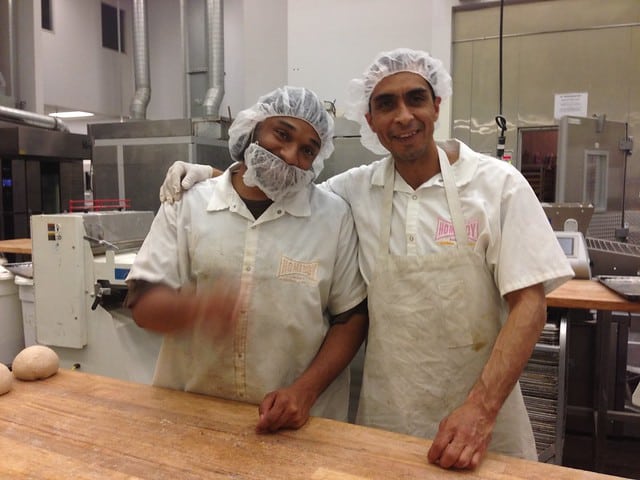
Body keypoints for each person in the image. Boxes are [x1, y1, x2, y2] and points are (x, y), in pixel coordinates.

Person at [158, 48, 574, 469]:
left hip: (483, 425)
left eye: (415, 98)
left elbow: (530, 305)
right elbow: (285, 184)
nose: (403, 116)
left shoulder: (497, 186)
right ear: (371, 121)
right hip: (387, 422)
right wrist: (214, 178)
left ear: (437, 106)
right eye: (385, 104)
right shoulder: (353, 191)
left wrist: (480, 412)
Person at [127, 85, 368, 435]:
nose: (289, 154)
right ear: (253, 129)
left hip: (298, 423)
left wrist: (304, 392)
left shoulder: (332, 217)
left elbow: (351, 317)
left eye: (307, 150)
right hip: (193, 414)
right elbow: (142, 304)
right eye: (281, 134)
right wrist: (198, 311)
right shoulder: (189, 204)